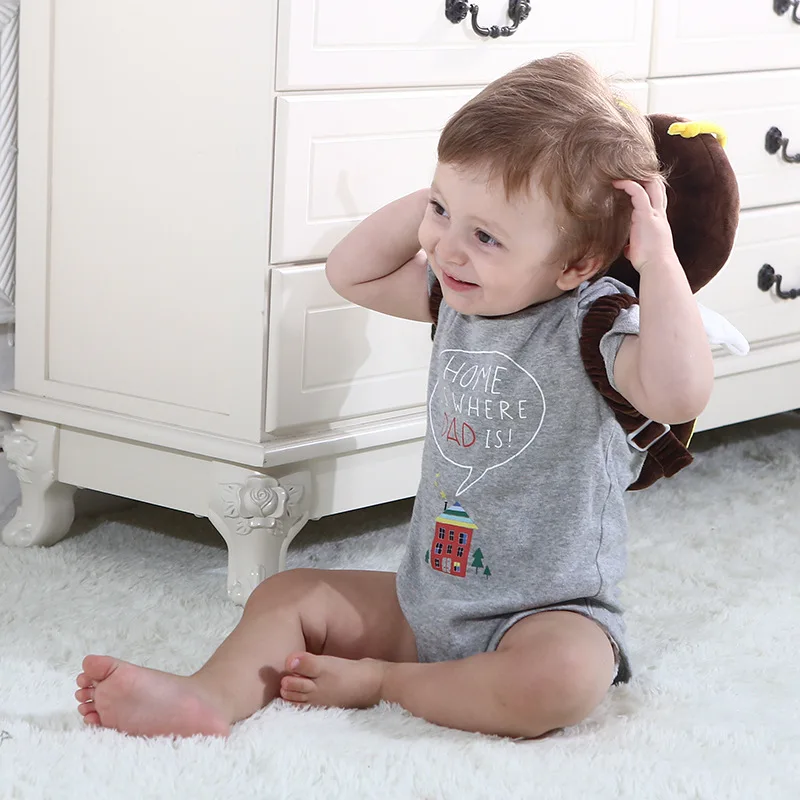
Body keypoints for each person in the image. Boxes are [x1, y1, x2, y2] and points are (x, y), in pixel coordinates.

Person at [74, 52, 714, 740]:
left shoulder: (593, 320)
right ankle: (207, 697)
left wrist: (658, 260)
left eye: (486, 236)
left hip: (544, 615)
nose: (447, 249)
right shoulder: (460, 297)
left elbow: (678, 394)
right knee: (288, 593)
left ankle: (386, 684)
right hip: (427, 598)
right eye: (441, 212)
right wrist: (453, 203)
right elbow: (351, 272)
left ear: (576, 262)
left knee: (565, 678)